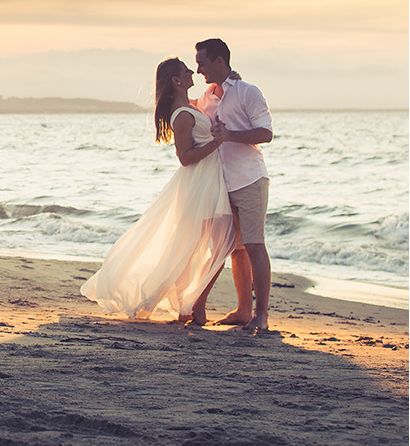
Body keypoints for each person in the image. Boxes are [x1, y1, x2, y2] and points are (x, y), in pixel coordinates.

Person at [81, 58, 236, 323]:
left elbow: (211, 100)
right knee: (212, 245)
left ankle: (188, 305)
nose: (192, 72)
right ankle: (192, 305)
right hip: (199, 183)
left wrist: (229, 82)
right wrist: (217, 143)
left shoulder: (189, 106)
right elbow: (185, 157)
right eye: (186, 70)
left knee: (197, 247)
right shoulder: (183, 115)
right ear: (176, 80)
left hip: (207, 180)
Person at [194, 38, 274, 331]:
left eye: (202, 63)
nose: (198, 69)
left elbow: (266, 133)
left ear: (219, 61)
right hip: (220, 183)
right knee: (234, 249)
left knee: (254, 245)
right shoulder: (205, 98)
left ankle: (261, 315)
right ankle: (242, 311)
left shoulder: (247, 92)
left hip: (249, 179)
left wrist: (229, 136)